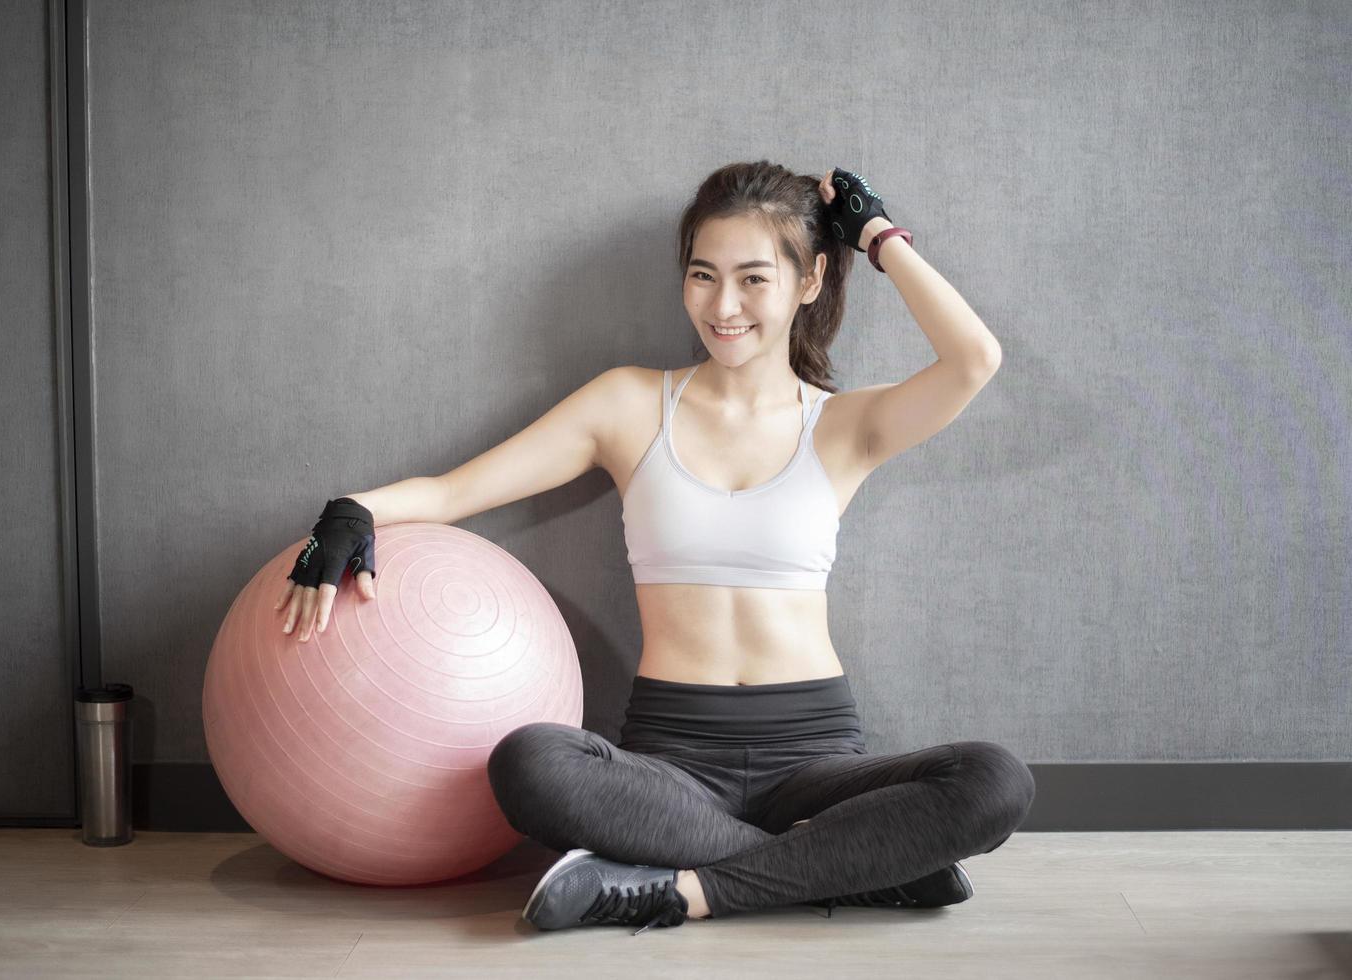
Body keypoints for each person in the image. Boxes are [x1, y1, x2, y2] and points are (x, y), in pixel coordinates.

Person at [274, 161, 1035, 936]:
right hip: (671, 764)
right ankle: (854, 868)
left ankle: (685, 893)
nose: (724, 305)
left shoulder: (843, 427)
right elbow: (452, 492)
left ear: (808, 282)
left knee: (993, 781)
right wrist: (353, 510)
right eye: (703, 275)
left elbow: (974, 359)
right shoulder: (631, 404)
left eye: (753, 279)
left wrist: (873, 235)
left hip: (815, 761)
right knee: (530, 764)